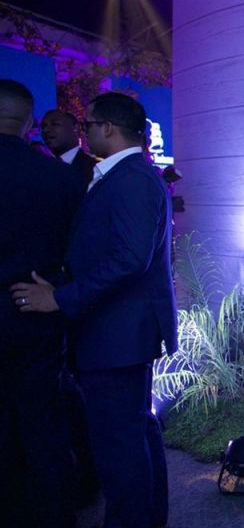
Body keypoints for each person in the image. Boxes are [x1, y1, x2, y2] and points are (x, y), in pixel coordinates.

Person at [11, 92, 178, 528]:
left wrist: (60, 298)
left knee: (118, 446)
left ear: (107, 128)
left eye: (87, 126)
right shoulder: (127, 175)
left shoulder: (132, 179)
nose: (83, 134)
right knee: (133, 435)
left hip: (117, 335)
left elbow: (130, 259)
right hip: (119, 331)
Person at [0, 79, 81, 527]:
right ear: (30, 122)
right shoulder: (59, 178)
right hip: (36, 312)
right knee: (43, 423)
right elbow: (80, 252)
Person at [40, 108, 99, 188]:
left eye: (55, 124)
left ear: (75, 128)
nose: (46, 130)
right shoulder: (41, 168)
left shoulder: (94, 168)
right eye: (43, 126)